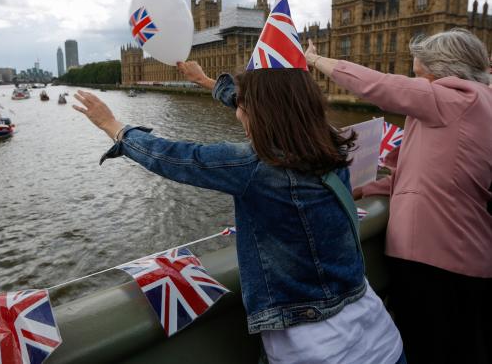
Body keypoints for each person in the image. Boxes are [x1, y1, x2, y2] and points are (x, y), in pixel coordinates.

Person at [72, 64, 404, 363]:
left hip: (317, 350)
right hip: (380, 336)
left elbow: (177, 157)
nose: (238, 114)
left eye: (243, 107)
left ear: (264, 113)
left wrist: (113, 125)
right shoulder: (330, 147)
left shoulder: (256, 168)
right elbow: (268, 103)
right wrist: (205, 81)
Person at [306, 28, 492, 364]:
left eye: (420, 76)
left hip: (437, 257)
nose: (414, 80)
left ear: (443, 70)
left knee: (430, 349)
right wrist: (363, 188)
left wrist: (314, 59)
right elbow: (424, 176)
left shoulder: (457, 100)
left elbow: (379, 85)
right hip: (465, 253)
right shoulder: (467, 107)